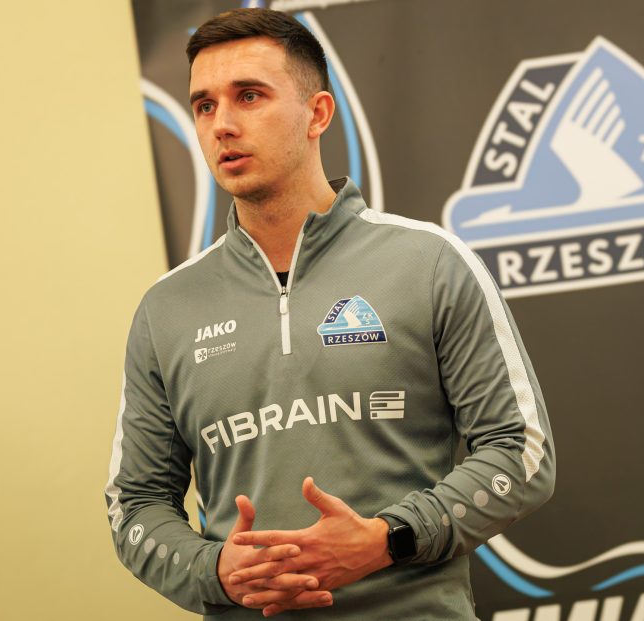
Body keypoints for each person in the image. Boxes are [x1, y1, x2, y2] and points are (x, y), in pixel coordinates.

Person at [105, 8, 555, 619]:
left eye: (249, 96)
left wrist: (389, 539)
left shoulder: (429, 262)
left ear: (317, 113)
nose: (223, 125)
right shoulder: (166, 308)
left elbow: (520, 451)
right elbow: (135, 504)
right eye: (205, 105)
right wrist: (214, 570)